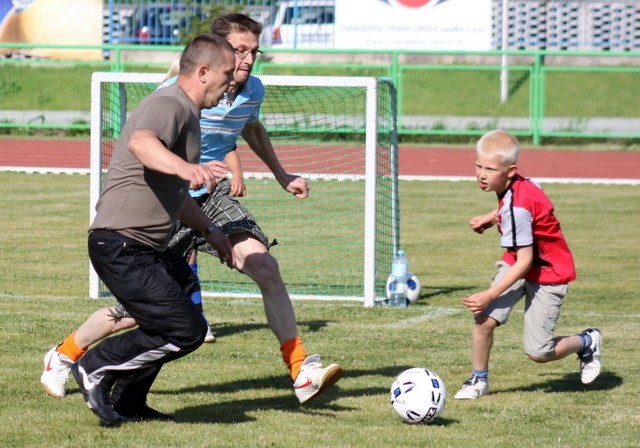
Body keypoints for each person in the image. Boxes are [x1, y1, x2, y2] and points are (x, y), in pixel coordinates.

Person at [41, 12, 343, 405]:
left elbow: (249, 128)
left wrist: (281, 175)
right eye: (239, 51)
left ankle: (300, 369)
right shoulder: (178, 93)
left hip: (208, 196)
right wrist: (189, 168)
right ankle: (65, 355)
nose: (247, 61)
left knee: (264, 266)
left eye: (254, 51)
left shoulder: (252, 90)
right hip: (169, 197)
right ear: (213, 57)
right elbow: (148, 144)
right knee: (141, 311)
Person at [70, 33, 236, 427]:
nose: (232, 82)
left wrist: (211, 230)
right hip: (121, 244)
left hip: (145, 247)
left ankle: (129, 402)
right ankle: (94, 365)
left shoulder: (189, 114)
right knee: (186, 329)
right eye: (227, 74)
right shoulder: (169, 103)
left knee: (181, 304)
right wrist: (186, 168)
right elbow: (143, 143)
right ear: (203, 71)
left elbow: (175, 197)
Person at [453, 130, 602, 400]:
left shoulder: (516, 209)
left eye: (490, 169)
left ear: (511, 171)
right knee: (484, 320)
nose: (481, 174)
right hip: (520, 261)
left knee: (539, 352)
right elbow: (520, 203)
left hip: (547, 272)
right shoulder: (520, 185)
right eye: (478, 166)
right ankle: (479, 379)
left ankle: (587, 342)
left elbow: (525, 261)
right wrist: (491, 217)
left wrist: (488, 294)